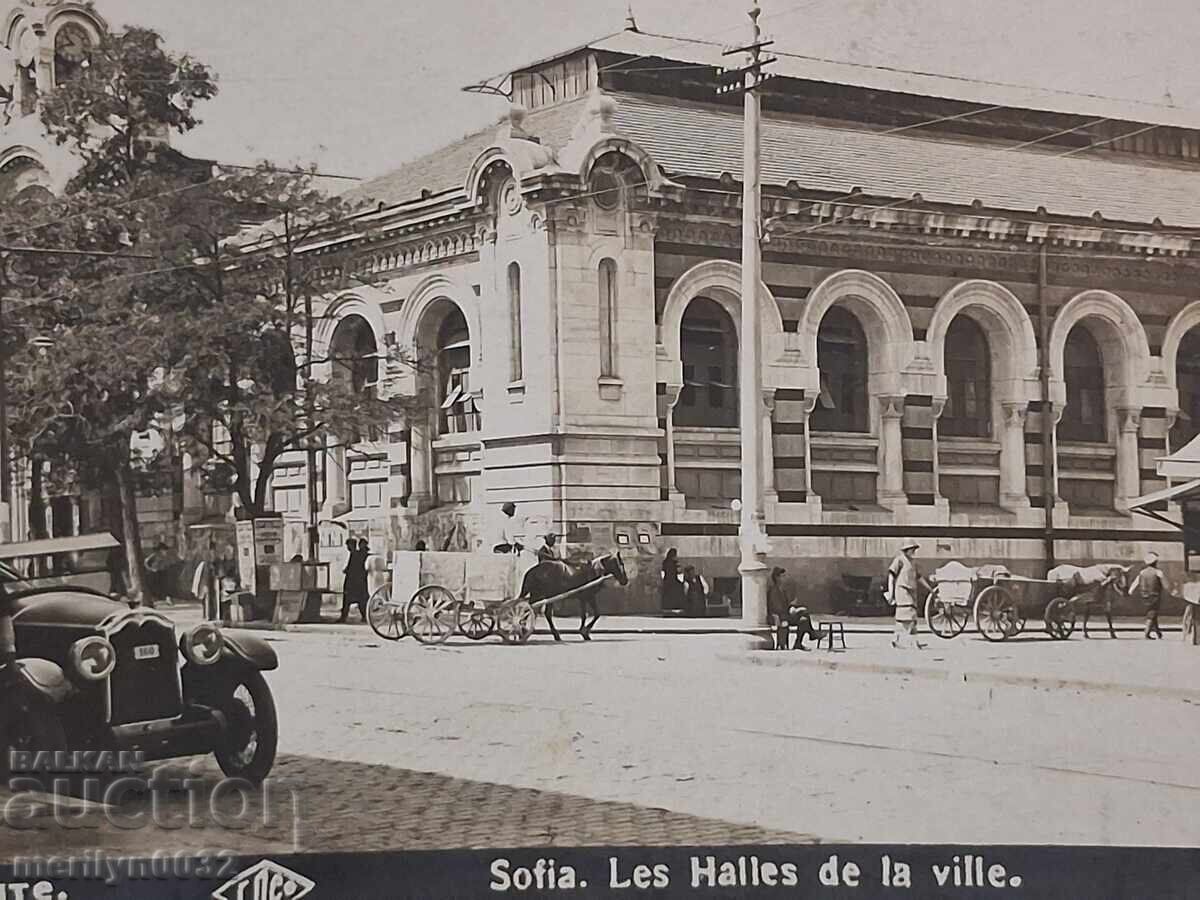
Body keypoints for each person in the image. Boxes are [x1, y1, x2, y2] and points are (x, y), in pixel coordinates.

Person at [887, 540, 927, 649]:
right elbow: (891, 576)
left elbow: (919, 577)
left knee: (910, 618)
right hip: (902, 591)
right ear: (906, 550)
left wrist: (930, 589)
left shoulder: (913, 562)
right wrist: (891, 593)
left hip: (912, 592)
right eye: (911, 549)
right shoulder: (899, 560)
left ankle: (897, 639)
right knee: (908, 616)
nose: (913, 551)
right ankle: (912, 641)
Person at [1132, 551, 1166, 640]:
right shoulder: (1158, 572)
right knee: (1152, 613)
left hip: (1144, 596)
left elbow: (1135, 583)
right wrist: (1172, 591)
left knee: (1152, 612)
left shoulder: (1142, 572)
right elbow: (1166, 585)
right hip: (1155, 595)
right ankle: (1146, 633)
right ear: (1155, 562)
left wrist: (1130, 591)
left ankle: (1158, 633)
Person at [339, 538, 369, 623]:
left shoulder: (355, 555)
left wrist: (346, 570)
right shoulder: (360, 554)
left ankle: (344, 617)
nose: (348, 547)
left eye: (349, 545)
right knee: (361, 600)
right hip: (359, 581)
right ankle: (364, 616)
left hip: (353, 581)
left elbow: (352, 568)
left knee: (348, 600)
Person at [767, 567, 790, 649]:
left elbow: (785, 604)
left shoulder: (783, 589)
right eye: (783, 576)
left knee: (804, 618)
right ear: (777, 578)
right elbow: (776, 606)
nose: (785, 578)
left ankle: (798, 643)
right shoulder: (774, 590)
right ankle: (782, 644)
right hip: (777, 615)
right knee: (784, 622)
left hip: (785, 614)